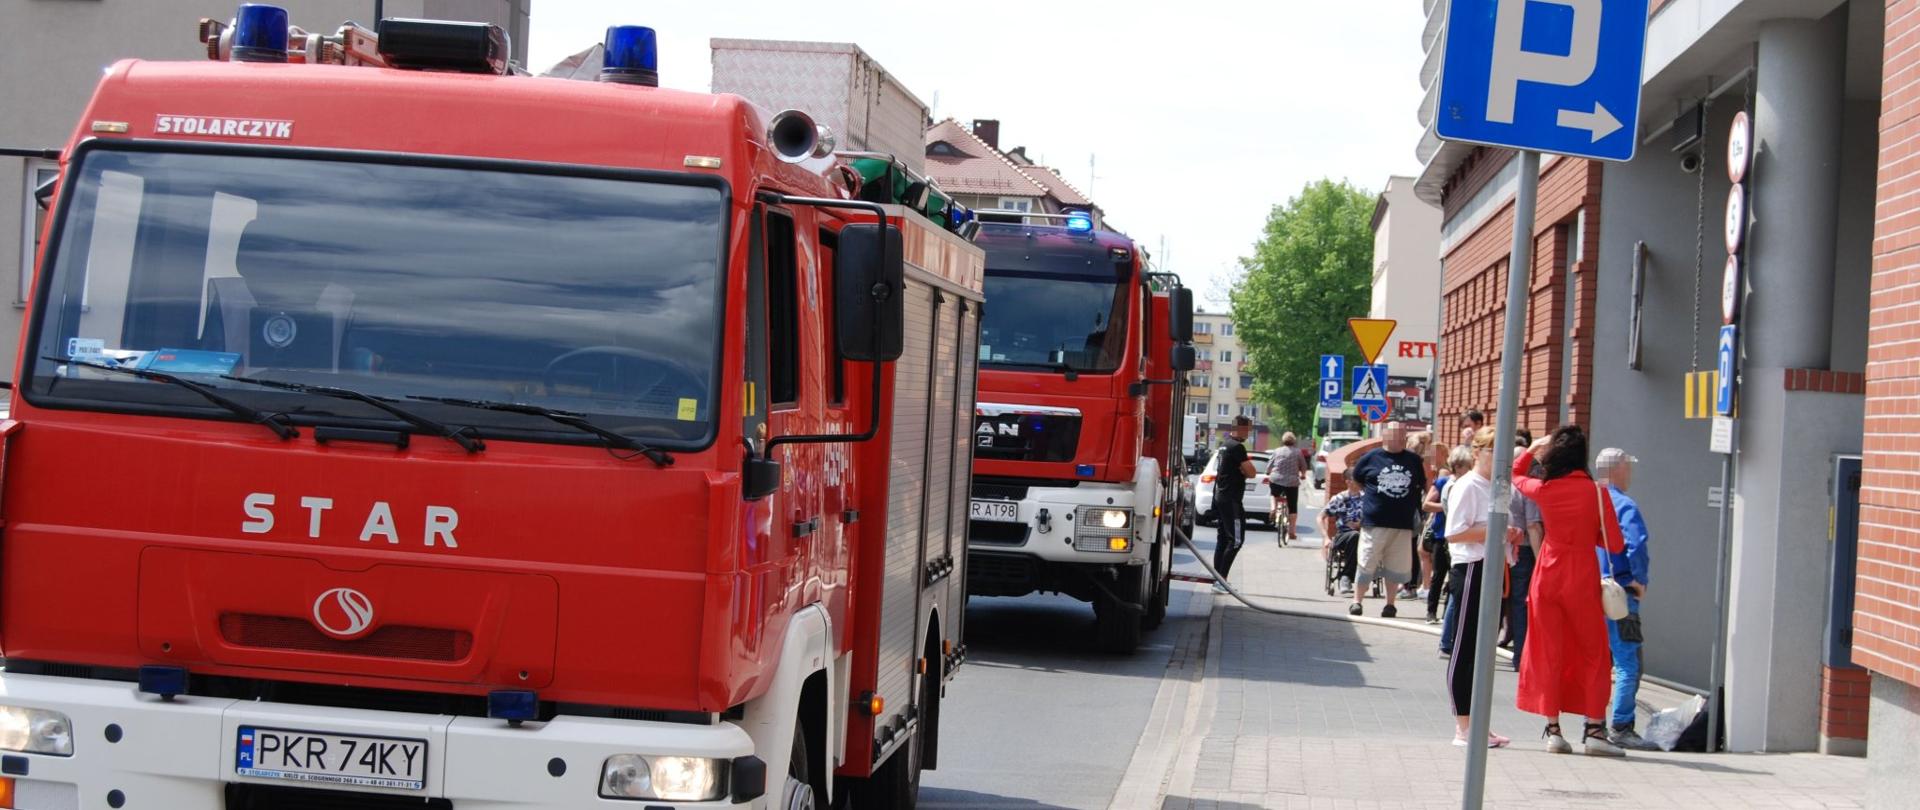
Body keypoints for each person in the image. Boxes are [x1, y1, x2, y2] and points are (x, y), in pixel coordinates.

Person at [1510, 426, 1628, 757]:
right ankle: (1593, 732)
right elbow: (1615, 543)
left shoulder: (1545, 488)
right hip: (1582, 576)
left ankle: (1553, 732)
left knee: (1547, 649)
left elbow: (1516, 474)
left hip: (1547, 573)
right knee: (1594, 653)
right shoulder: (1597, 493)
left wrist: (1534, 446)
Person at [1443, 427, 1511, 747]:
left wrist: (1509, 536)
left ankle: (1479, 723)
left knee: (1485, 649)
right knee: (1467, 646)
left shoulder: (1495, 486)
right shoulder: (1467, 486)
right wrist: (1494, 529)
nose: (1499, 459)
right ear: (1477, 453)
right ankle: (1463, 726)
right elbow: (1454, 533)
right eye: (1492, 452)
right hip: (1470, 567)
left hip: (1493, 566)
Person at [1595, 448, 1656, 750]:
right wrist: (1638, 581)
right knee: (1628, 662)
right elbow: (1635, 545)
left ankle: (1593, 725)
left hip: (1589, 591)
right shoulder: (1624, 505)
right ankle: (1622, 726)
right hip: (1619, 594)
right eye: (1627, 467)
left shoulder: (1588, 501)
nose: (1630, 473)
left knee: (1597, 662)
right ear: (1617, 469)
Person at [1349, 421, 1427, 618]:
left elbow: (1423, 483)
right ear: (1386, 437)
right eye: (1398, 435)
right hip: (1375, 521)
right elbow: (1357, 478)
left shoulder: (1413, 460)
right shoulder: (1370, 458)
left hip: (1403, 522)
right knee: (1367, 561)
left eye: (1404, 435)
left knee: (1396, 566)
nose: (1402, 439)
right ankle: (1357, 601)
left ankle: (1390, 604)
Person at [1504, 428, 1546, 668]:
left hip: (1503, 550)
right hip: (1525, 552)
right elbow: (1533, 525)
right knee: (1521, 604)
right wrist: (1542, 560)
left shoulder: (1501, 484)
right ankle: (1521, 656)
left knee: (1503, 603)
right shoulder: (1527, 486)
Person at [1425, 447, 1472, 628]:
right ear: (1459, 465)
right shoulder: (1446, 482)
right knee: (1439, 575)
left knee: (1452, 578)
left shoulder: (1466, 483)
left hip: (1452, 535)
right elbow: (1427, 504)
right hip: (1441, 534)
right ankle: (1431, 610)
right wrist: (1447, 508)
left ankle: (1446, 614)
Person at [1210, 416, 1257, 592]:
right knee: (1236, 540)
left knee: (1223, 539)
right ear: (1240, 429)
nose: (1248, 434)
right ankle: (1221, 581)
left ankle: (1218, 580)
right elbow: (1251, 472)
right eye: (1247, 430)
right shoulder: (1237, 447)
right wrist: (1244, 471)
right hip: (1231, 499)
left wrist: (1242, 470)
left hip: (1221, 496)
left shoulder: (1224, 444)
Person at [1320, 476, 1365, 594]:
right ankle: (1346, 577)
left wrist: (1361, 524)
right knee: (1354, 536)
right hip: (1344, 535)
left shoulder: (1367, 498)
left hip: (1364, 534)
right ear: (1348, 482)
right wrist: (1326, 537)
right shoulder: (1339, 498)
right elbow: (1320, 517)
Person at [1266, 432, 1308, 543]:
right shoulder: (1298, 452)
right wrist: (1303, 475)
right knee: (1293, 506)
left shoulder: (1277, 451)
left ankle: (1273, 508)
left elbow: (1269, 466)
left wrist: (1268, 472)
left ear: (1283, 440)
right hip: (1292, 482)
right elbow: (1304, 466)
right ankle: (1292, 532)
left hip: (1276, 479)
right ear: (1294, 441)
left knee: (1273, 494)